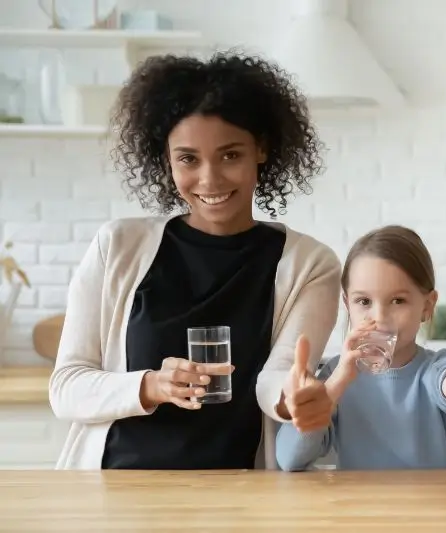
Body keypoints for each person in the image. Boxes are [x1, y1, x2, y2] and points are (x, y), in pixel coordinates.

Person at [48, 52, 341, 470]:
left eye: (230, 155)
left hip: (237, 495)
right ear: (166, 160)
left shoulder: (310, 264)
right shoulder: (117, 246)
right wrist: (151, 386)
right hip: (114, 491)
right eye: (188, 158)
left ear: (261, 148)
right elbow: (66, 387)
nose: (210, 179)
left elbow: (277, 377)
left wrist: (292, 399)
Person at [275, 225, 446, 471]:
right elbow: (289, 459)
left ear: (427, 306)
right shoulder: (334, 377)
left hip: (430, 507)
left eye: (398, 301)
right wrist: (335, 386)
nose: (379, 316)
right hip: (362, 508)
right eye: (364, 301)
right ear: (347, 304)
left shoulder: (435, 369)